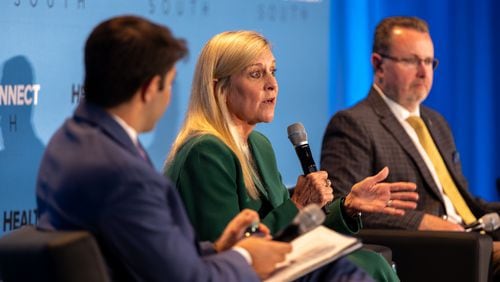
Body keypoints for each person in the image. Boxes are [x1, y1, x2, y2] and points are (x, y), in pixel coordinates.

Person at [36, 15, 295, 281]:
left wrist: (217, 249)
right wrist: (247, 258)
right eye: (169, 83)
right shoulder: (125, 175)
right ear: (150, 89)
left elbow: (151, 253)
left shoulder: (67, 141)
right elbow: (186, 278)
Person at [165, 30, 419, 282]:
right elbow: (229, 258)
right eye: (256, 74)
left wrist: (347, 206)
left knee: (368, 261)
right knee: (366, 265)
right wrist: (297, 203)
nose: (272, 84)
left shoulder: (258, 144)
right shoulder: (205, 152)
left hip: (278, 267)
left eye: (272, 71)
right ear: (218, 86)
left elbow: (291, 230)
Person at [320, 16, 500, 276]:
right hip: (433, 249)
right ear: (378, 65)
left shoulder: (436, 123)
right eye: (411, 61)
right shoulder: (353, 124)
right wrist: (423, 222)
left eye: (428, 61)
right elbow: (345, 208)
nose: (424, 72)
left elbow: (464, 202)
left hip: (475, 237)